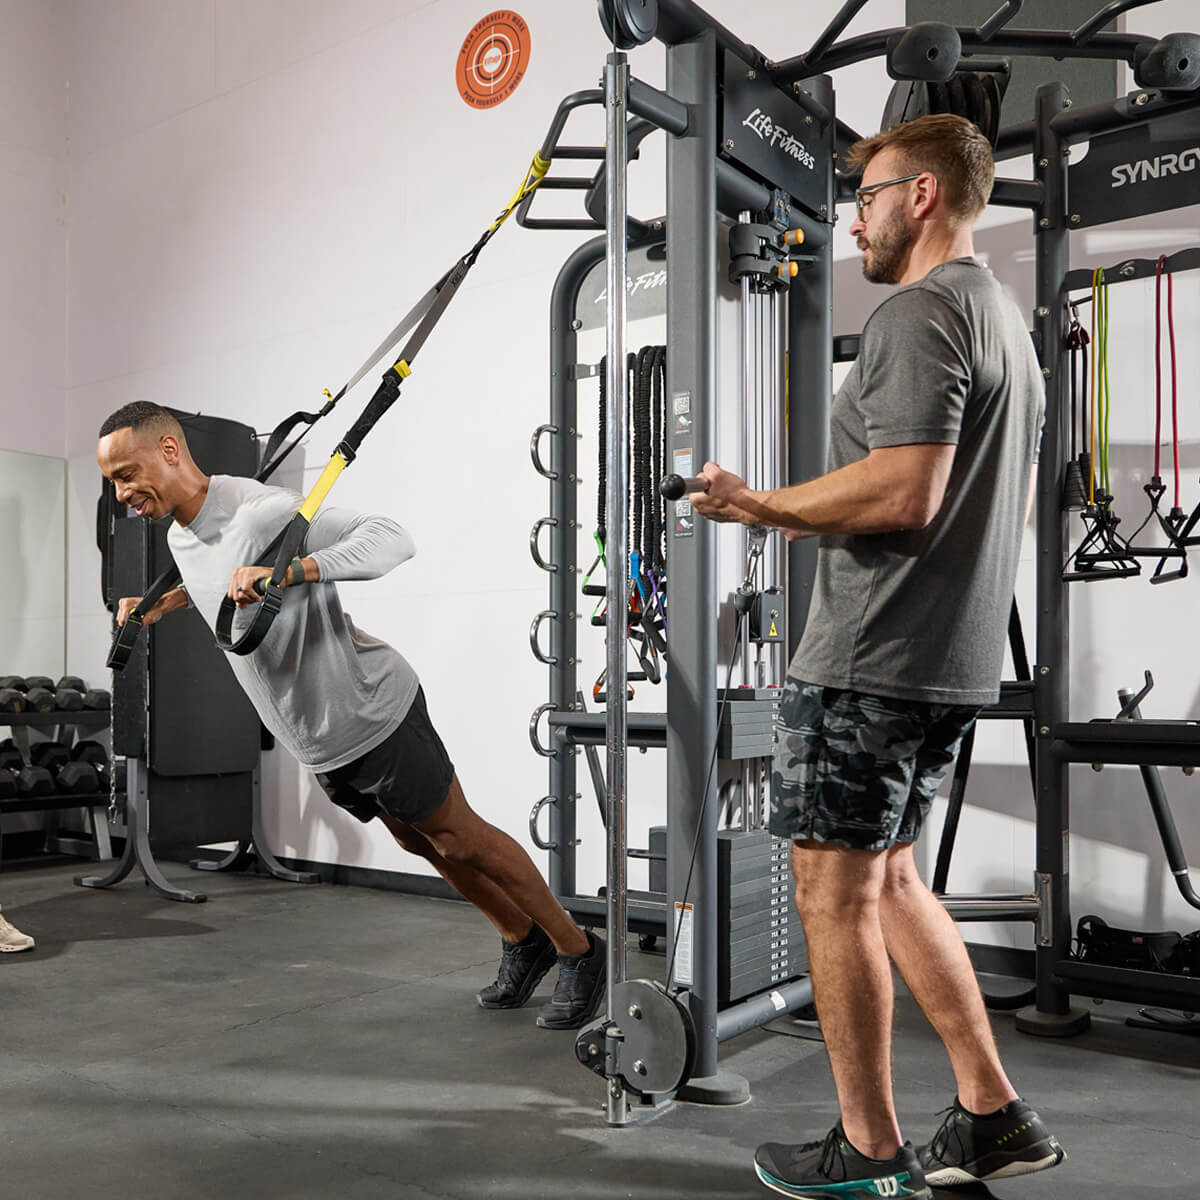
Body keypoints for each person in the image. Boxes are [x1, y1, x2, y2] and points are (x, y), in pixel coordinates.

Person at [690, 114, 1063, 1198]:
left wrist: (757, 504)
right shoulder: (1003, 320)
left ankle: (868, 1148)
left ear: (923, 197)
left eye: (868, 195)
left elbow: (905, 493)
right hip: (942, 658)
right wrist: (778, 512)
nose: (853, 216)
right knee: (893, 879)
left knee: (833, 891)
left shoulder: (921, 310)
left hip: (869, 653)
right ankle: (993, 1114)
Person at [96, 402, 604, 1030]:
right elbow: (216, 584)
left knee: (457, 834)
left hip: (372, 709)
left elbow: (393, 538)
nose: (122, 496)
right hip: (320, 736)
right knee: (417, 838)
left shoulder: (265, 511)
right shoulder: (181, 534)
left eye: (125, 474)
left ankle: (578, 949)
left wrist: (294, 572)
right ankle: (520, 937)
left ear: (169, 451)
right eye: (113, 482)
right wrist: (156, 606)